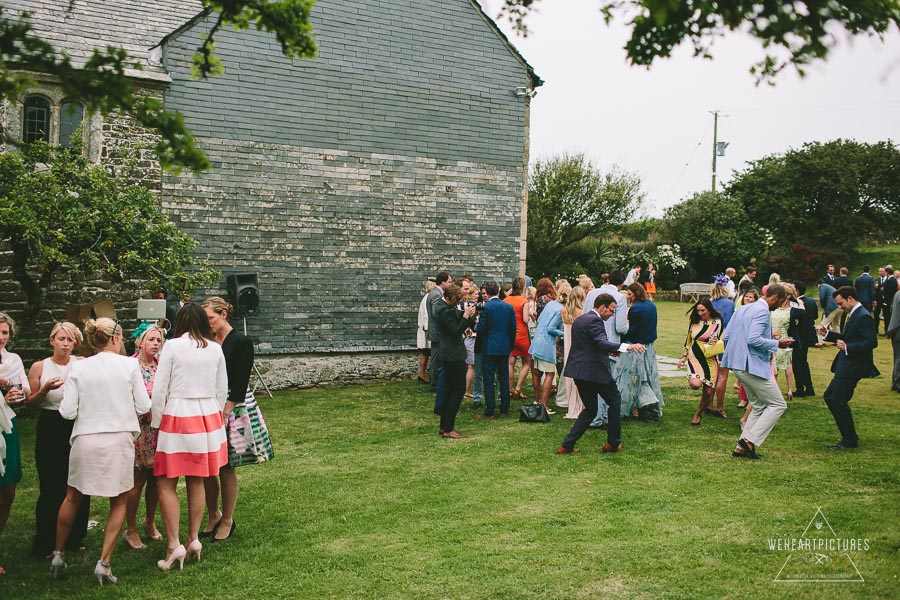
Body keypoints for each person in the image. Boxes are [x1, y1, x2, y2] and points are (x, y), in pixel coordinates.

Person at [51, 318, 151, 584]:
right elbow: (143, 405)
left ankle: (58, 553)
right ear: (116, 339)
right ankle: (104, 563)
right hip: (118, 439)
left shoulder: (79, 367)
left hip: (86, 438)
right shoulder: (129, 364)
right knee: (119, 500)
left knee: (72, 496)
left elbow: (68, 411)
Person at [152, 303, 228, 571]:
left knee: (166, 481)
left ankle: (174, 544)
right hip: (208, 416)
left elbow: (161, 386)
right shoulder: (216, 348)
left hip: (178, 413)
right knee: (197, 478)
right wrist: (214, 417)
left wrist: (156, 421)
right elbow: (222, 389)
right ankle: (193, 538)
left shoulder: (172, 346)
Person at [201, 297, 271, 543]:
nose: (207, 323)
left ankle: (228, 519)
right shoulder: (206, 342)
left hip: (233, 408)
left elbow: (241, 381)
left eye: (211, 318)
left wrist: (225, 411)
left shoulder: (241, 341)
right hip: (209, 406)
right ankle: (213, 514)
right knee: (208, 467)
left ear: (223, 315)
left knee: (226, 466)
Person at [26, 322, 90, 558]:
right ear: (52, 340)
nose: (65, 344)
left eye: (70, 340)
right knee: (51, 484)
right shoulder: (39, 366)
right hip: (50, 424)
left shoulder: (81, 363)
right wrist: (43, 390)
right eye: (61, 339)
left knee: (78, 482)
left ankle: (75, 537)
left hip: (76, 423)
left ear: (75, 343)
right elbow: (29, 404)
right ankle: (45, 540)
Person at [556, 294, 646, 455]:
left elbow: (588, 346)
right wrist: (626, 347)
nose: (612, 314)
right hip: (595, 372)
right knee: (614, 400)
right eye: (611, 310)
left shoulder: (581, 319)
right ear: (602, 307)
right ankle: (613, 442)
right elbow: (601, 342)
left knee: (590, 409)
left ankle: (567, 445)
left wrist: (611, 352)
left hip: (579, 372)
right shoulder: (595, 321)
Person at [721, 284, 793, 460]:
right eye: (781, 302)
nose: (780, 306)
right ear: (775, 298)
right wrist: (777, 344)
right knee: (778, 404)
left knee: (759, 405)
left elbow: (726, 337)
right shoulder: (762, 311)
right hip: (750, 366)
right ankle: (749, 440)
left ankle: (741, 447)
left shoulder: (742, 309)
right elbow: (753, 339)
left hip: (737, 365)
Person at [818, 286, 878, 449]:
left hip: (853, 366)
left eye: (840, 303)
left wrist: (848, 347)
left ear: (850, 298)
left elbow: (872, 342)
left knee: (837, 401)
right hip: (846, 365)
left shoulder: (863, 316)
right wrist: (827, 335)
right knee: (830, 397)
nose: (839, 307)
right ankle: (849, 437)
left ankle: (850, 439)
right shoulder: (855, 314)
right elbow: (848, 336)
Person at [123, 323, 164, 550]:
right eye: (151, 339)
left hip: (159, 429)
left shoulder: (161, 365)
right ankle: (130, 529)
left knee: (157, 480)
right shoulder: (130, 365)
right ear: (140, 341)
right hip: (139, 430)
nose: (155, 344)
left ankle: (150, 520)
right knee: (136, 481)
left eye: (158, 340)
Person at [0, 312, 31, 576]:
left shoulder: (13, 360)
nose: (0, 338)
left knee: (8, 491)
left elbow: (25, 392)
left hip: (7, 428)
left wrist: (14, 393)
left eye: (4, 333)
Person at [586, 270, 629, 429]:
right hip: (609, 344)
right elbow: (620, 327)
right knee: (607, 383)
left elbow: (585, 316)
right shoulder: (620, 298)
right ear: (622, 284)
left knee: (593, 381)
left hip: (591, 343)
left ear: (608, 279)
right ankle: (600, 417)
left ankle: (596, 416)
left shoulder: (592, 293)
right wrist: (628, 324)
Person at [433, 285, 477, 438]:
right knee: (457, 390)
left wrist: (467, 316)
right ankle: (448, 428)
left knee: (449, 390)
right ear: (449, 298)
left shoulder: (443, 306)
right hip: (453, 355)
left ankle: (445, 426)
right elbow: (456, 331)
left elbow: (456, 318)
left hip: (450, 353)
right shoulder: (444, 310)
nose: (458, 303)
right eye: (456, 300)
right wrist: (465, 316)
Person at [618, 283, 664, 422]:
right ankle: (645, 406)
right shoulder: (651, 305)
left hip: (637, 346)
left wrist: (622, 340)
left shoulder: (635, 309)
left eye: (630, 294)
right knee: (649, 375)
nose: (629, 297)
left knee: (634, 378)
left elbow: (632, 330)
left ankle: (639, 406)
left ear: (636, 293)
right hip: (649, 345)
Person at [678, 299, 724, 425]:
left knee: (709, 392)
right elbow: (688, 339)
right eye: (698, 310)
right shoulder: (694, 321)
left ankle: (698, 414)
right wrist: (684, 356)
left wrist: (714, 340)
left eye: (702, 310)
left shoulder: (717, 322)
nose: (700, 313)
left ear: (709, 309)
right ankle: (693, 374)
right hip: (695, 357)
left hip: (710, 357)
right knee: (695, 384)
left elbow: (718, 339)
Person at [476, 282, 516, 419]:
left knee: (488, 378)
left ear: (487, 292)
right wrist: (510, 345)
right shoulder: (508, 307)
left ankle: (490, 411)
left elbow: (481, 328)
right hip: (504, 347)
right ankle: (504, 408)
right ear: (498, 291)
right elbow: (512, 329)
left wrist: (477, 323)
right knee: (503, 378)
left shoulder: (487, 307)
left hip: (489, 347)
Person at [528, 284, 563, 414]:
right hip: (546, 344)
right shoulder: (561, 309)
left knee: (536, 373)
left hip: (537, 341)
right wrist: (564, 334)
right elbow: (551, 329)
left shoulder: (550, 305)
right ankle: (544, 405)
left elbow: (539, 321)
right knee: (550, 374)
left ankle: (537, 401)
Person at [709, 276, 735, 417]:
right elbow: (730, 325)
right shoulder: (729, 305)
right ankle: (719, 407)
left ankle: (708, 403)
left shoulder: (709, 303)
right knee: (722, 375)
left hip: (708, 341)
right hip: (723, 342)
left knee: (711, 374)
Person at [560, 286, 586, 420]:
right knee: (580, 373)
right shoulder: (582, 312)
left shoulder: (563, 311)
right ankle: (580, 405)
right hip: (578, 344)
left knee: (570, 375)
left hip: (568, 346)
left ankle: (572, 404)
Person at [505, 277, 532, 400]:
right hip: (521, 334)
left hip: (509, 334)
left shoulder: (506, 300)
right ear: (522, 287)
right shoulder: (524, 301)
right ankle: (518, 388)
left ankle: (509, 388)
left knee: (510, 362)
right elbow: (525, 319)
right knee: (527, 362)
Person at [426, 272, 452, 394]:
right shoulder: (436, 295)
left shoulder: (436, 293)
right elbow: (437, 314)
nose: (450, 284)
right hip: (437, 332)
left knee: (437, 357)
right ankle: (434, 384)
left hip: (436, 331)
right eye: (449, 282)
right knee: (436, 358)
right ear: (443, 282)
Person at [770, 284, 797, 401]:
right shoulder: (793, 309)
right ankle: (789, 389)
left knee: (775, 363)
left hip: (777, 336)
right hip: (783, 335)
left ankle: (774, 390)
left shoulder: (775, 308)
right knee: (788, 363)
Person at [792, 282, 819, 398]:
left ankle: (800, 389)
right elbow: (816, 316)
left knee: (797, 363)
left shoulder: (796, 303)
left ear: (797, 291)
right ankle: (809, 387)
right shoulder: (811, 301)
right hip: (808, 336)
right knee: (804, 361)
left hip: (799, 336)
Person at [416, 279, 436, 384]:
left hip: (425, 329)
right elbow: (427, 316)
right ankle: (424, 374)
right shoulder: (429, 298)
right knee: (431, 352)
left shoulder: (426, 298)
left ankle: (422, 373)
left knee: (426, 352)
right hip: (428, 329)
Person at [888, 281, 900, 393]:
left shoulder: (897, 294)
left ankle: (894, 382)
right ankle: (897, 384)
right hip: (898, 329)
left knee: (897, 357)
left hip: (894, 330)